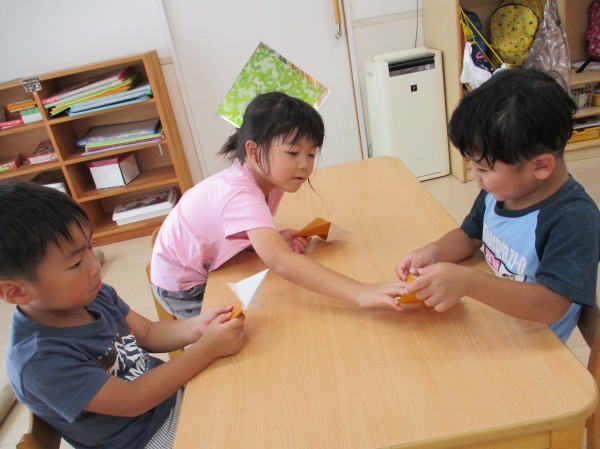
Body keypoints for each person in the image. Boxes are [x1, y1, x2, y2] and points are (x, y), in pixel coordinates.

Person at [0, 181, 245, 448]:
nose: (94, 267)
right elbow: (132, 399)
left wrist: (197, 327)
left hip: (170, 397)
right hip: (145, 438)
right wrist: (206, 349)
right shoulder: (40, 361)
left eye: (90, 247)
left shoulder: (91, 295)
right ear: (16, 292)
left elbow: (149, 333)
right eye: (76, 263)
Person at [151, 91, 403, 318]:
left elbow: (245, 234)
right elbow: (281, 262)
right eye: (293, 153)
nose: (305, 164)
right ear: (253, 151)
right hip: (184, 288)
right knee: (257, 324)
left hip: (208, 260)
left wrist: (271, 239)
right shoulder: (240, 194)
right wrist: (360, 292)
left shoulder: (271, 179)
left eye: (311, 154)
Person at [396, 69, 600, 342]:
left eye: (483, 168)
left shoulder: (574, 220)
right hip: (493, 323)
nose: (475, 178)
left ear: (541, 165)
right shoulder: (502, 191)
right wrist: (434, 252)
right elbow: (469, 236)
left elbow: (551, 305)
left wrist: (468, 282)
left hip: (534, 348)